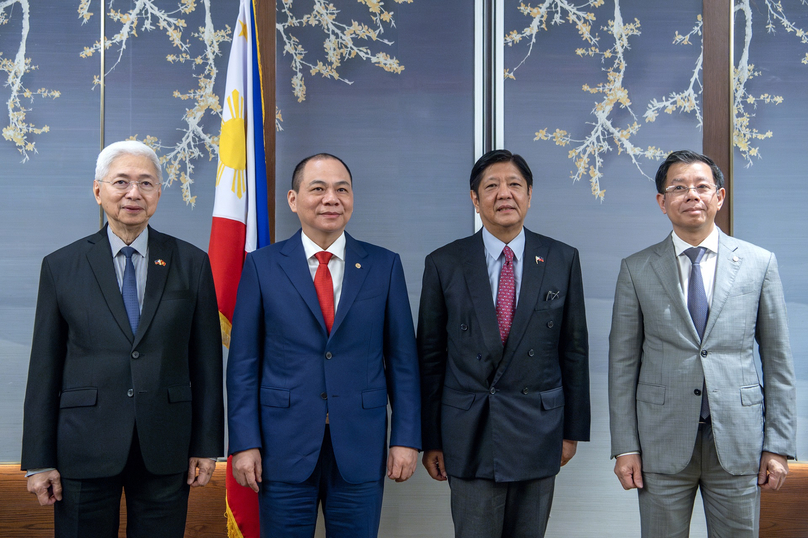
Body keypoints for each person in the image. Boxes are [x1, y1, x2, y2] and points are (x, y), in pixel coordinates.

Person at [21, 140, 224, 538]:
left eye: (146, 183)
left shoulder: (192, 262)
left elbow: (206, 362)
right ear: (98, 190)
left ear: (159, 194)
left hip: (167, 445)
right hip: (83, 446)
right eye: (122, 182)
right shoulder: (61, 266)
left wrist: (206, 444)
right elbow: (44, 367)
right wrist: (38, 459)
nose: (134, 193)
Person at [226, 153, 421, 538]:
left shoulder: (384, 266)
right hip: (282, 447)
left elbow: (403, 362)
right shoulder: (262, 267)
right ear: (293, 199)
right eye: (318, 189)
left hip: (360, 446)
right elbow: (244, 363)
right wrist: (244, 442)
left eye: (341, 189)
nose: (331, 198)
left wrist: (405, 438)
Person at [608, 149, 796, 537]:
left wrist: (778, 445)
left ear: (719, 197)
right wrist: (625, 446)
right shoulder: (636, 268)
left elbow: (778, 362)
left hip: (739, 442)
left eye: (701, 186)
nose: (691, 195)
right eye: (678, 187)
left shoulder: (759, 263)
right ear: (662, 202)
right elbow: (622, 364)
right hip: (661, 441)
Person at [418, 149, 591, 538]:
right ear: (475, 199)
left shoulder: (562, 258)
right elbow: (429, 357)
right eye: (491, 186)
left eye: (514, 184)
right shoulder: (444, 262)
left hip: (540, 429)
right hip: (468, 432)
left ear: (530, 194)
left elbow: (574, 351)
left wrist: (571, 432)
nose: (504, 194)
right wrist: (430, 438)